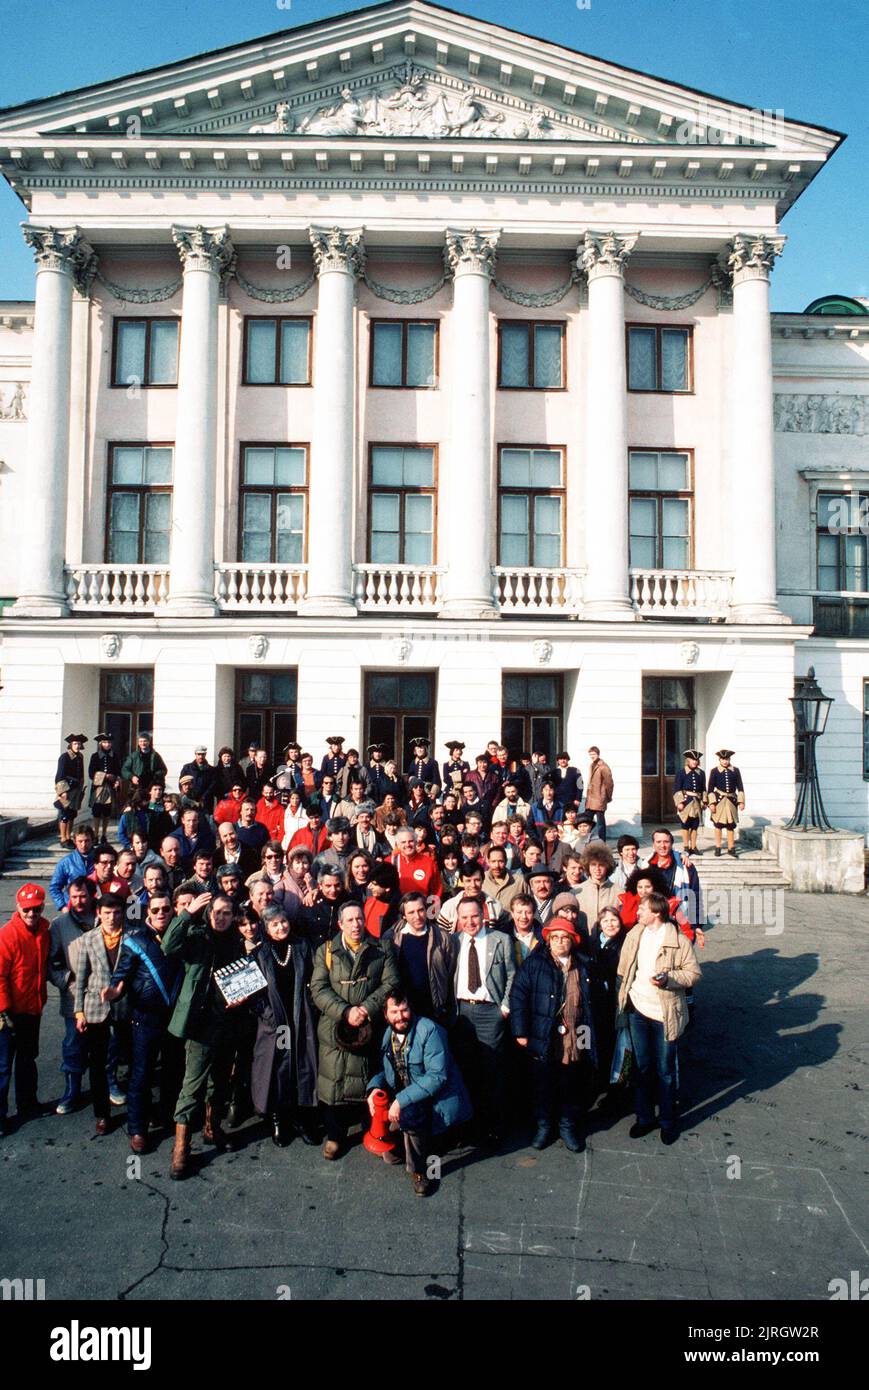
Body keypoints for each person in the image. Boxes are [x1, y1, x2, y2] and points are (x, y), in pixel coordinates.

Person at [163, 892, 247, 1177]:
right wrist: (187, 914)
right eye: (217, 912)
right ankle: (180, 1150)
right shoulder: (197, 937)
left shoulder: (237, 941)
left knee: (220, 1082)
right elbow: (167, 945)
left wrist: (241, 997)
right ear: (208, 913)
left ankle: (213, 1129)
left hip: (228, 1022)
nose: (221, 917)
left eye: (226, 912)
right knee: (192, 1087)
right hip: (200, 1024)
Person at [310, 901, 399, 1160]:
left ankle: (374, 1130)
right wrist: (345, 1012)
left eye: (359, 919)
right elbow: (318, 988)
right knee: (333, 1082)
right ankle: (336, 1136)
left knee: (370, 1079)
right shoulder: (326, 951)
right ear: (340, 924)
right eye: (349, 920)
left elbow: (391, 981)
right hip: (334, 1027)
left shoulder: (382, 948)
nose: (355, 924)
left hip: (369, 1026)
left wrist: (366, 1008)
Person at [366, 992, 472, 1197]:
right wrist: (374, 1089)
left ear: (411, 1009)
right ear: (386, 1015)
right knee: (390, 1156)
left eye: (404, 1010)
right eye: (394, 1012)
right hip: (408, 1096)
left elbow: (436, 1078)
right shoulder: (388, 1034)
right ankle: (418, 1147)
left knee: (411, 1116)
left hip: (434, 1100)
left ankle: (422, 1172)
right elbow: (383, 1070)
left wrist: (400, 1101)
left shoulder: (429, 1030)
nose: (400, 1016)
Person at [616, 890, 701, 1144]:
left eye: (642, 909)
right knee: (642, 1067)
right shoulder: (635, 934)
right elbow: (624, 967)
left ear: (656, 912)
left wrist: (669, 979)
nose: (637, 912)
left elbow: (694, 973)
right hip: (637, 1009)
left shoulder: (677, 940)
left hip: (665, 1013)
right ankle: (644, 1118)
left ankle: (667, 1121)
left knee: (665, 1070)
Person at [102, 892, 184, 1152]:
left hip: (173, 1019)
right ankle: (138, 1128)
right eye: (156, 909)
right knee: (142, 1074)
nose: (161, 914)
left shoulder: (180, 938)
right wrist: (114, 992)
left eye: (166, 909)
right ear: (148, 912)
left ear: (173, 911)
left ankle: (166, 1115)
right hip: (144, 1019)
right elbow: (121, 975)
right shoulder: (134, 941)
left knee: (173, 1071)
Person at [510, 915, 597, 1152]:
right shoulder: (535, 963)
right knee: (543, 1083)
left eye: (565, 938)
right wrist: (520, 1031)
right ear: (548, 940)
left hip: (576, 1034)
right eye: (555, 937)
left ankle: (567, 1126)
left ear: (573, 941)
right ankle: (544, 1126)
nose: (559, 942)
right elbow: (518, 996)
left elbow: (594, 1002)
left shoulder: (584, 965)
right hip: (543, 1033)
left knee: (572, 1083)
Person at [249, 906, 319, 1147]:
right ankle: (279, 1118)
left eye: (284, 922)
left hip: (301, 1017)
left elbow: (316, 978)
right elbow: (253, 994)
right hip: (275, 1023)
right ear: (266, 928)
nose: (281, 927)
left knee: (303, 1065)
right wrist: (269, 1015)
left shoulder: (302, 947)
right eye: (275, 924)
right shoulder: (260, 953)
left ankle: (302, 1117)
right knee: (278, 1068)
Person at [450, 896, 514, 1144]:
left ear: (483, 914)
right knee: (467, 1070)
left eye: (474, 916)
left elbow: (511, 975)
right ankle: (470, 1125)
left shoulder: (501, 940)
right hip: (463, 1013)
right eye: (464, 917)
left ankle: (495, 1126)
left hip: (491, 1014)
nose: (470, 921)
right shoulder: (454, 942)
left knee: (492, 1070)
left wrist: (505, 1008)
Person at [73, 893, 131, 1135]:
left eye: (116, 912)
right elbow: (81, 978)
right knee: (97, 1063)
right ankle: (102, 1114)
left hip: (125, 1007)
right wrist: (79, 1011)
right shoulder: (89, 939)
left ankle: (139, 1109)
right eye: (106, 913)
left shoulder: (131, 938)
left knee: (131, 1059)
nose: (111, 918)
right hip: (95, 1008)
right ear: (98, 913)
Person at [0, 884, 52, 1136]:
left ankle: (27, 1103)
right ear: (18, 908)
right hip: (9, 1013)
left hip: (32, 1008)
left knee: (27, 1058)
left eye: (37, 909)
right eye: (28, 909)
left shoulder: (44, 929)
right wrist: (3, 1010)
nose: (32, 914)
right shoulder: (7, 935)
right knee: (2, 1066)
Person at [48, 877, 96, 1114]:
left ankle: (111, 1084)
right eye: (74, 896)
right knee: (73, 1043)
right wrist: (67, 981)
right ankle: (72, 1089)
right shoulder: (59, 925)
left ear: (91, 895)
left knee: (107, 1043)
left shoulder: (104, 917)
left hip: (102, 996)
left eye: (83, 896)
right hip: (73, 995)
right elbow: (52, 964)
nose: (78, 901)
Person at [383, 892, 456, 1026]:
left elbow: (451, 974)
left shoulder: (442, 938)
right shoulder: (391, 938)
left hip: (434, 1008)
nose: (417, 916)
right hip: (403, 1010)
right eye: (411, 912)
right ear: (404, 915)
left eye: (421, 910)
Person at [588, 905, 630, 1114]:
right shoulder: (594, 943)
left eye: (614, 920)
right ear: (600, 924)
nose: (610, 924)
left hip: (618, 1001)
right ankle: (602, 1083)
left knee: (621, 1047)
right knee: (601, 1044)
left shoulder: (625, 944)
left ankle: (620, 1089)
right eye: (606, 921)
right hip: (598, 1003)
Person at [708, 749, 745, 858]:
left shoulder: (736, 771)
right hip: (719, 801)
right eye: (723, 759)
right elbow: (710, 789)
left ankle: (731, 847)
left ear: (729, 759)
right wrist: (712, 803)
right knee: (718, 824)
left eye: (727, 759)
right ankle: (718, 847)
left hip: (731, 801)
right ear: (719, 759)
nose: (725, 761)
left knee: (730, 825)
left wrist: (741, 801)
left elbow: (740, 787)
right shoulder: (714, 771)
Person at [49, 823, 95, 910]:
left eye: (87, 841)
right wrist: (63, 906)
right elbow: (54, 887)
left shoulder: (101, 859)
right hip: (73, 908)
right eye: (80, 841)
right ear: (75, 842)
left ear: (92, 840)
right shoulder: (66, 862)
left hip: (96, 908)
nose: (83, 845)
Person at [88, 732, 121, 843]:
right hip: (98, 788)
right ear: (101, 743)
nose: (107, 744)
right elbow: (91, 773)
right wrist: (105, 775)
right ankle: (96, 835)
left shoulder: (115, 756)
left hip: (109, 788)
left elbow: (118, 770)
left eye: (109, 742)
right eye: (105, 742)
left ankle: (104, 835)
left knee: (107, 812)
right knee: (97, 812)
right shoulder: (95, 756)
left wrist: (116, 780)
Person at [54, 733, 87, 847]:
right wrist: (62, 791)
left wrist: (81, 788)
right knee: (64, 815)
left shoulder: (80, 757)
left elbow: (81, 773)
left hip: (76, 789)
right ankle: (63, 838)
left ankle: (69, 837)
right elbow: (60, 775)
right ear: (70, 745)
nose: (77, 746)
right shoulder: (64, 757)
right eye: (75, 743)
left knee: (72, 814)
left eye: (79, 743)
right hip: (66, 789)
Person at [391, 825, 441, 899]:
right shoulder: (391, 862)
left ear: (416, 842)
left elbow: (436, 891)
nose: (407, 845)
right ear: (398, 844)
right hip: (396, 908)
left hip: (420, 908)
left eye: (411, 841)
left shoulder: (428, 863)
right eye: (403, 842)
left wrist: (432, 910)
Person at [575, 845, 619, 925]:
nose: (597, 869)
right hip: (584, 936)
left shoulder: (618, 892)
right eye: (593, 864)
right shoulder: (576, 892)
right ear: (588, 866)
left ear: (607, 866)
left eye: (601, 865)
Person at [674, 750, 707, 856]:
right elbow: (677, 788)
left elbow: (703, 789)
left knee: (694, 825)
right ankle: (686, 846)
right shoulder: (681, 772)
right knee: (685, 825)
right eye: (693, 759)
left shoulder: (701, 773)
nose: (695, 762)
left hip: (697, 802)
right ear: (688, 760)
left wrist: (704, 801)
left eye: (696, 760)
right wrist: (679, 802)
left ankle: (693, 846)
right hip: (686, 802)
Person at [482, 844, 523, 914]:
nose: (497, 865)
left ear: (506, 861)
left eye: (500, 861)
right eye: (493, 861)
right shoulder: (482, 879)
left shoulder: (519, 881)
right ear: (488, 862)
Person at [585, 746, 614, 842]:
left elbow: (609, 783)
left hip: (599, 799)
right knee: (587, 820)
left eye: (593, 754)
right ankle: (586, 839)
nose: (592, 756)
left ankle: (602, 842)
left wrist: (608, 797)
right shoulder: (592, 765)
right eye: (590, 755)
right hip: (591, 799)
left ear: (598, 754)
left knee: (600, 823)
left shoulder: (603, 767)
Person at [506, 892, 542, 964]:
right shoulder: (503, 937)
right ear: (512, 914)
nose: (524, 916)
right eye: (519, 912)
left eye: (528, 912)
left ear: (534, 913)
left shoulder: (543, 938)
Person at [179, 746, 216, 813]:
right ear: (195, 754)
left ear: (205, 754)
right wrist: (187, 797)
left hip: (205, 803)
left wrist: (203, 798)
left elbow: (212, 786)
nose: (200, 756)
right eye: (199, 754)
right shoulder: (187, 768)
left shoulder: (211, 770)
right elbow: (181, 783)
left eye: (202, 754)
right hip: (189, 801)